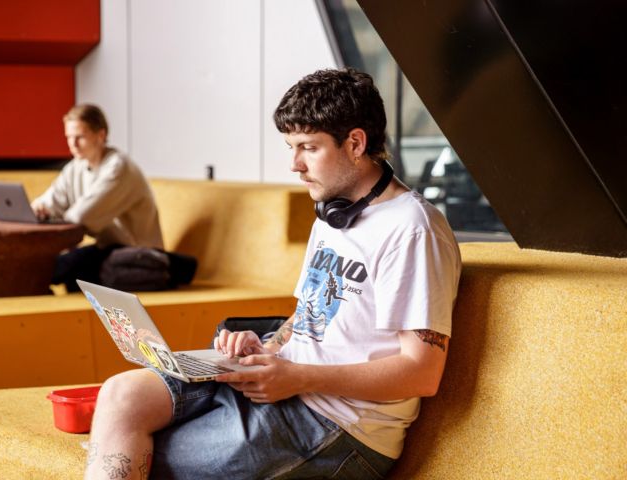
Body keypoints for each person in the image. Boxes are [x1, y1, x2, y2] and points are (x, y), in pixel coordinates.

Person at [83, 68, 461, 480]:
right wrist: (266, 347)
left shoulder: (413, 229)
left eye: (308, 148)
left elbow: (422, 372)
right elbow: (309, 318)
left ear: (355, 143)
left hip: (338, 425)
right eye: (291, 147)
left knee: (140, 459)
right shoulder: (334, 213)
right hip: (284, 382)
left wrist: (298, 377)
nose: (295, 165)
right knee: (121, 396)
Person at [31, 104, 164, 290]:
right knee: (60, 269)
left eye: (80, 137)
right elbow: (49, 202)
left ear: (101, 135)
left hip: (138, 256)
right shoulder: (76, 166)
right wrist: (40, 209)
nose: (73, 144)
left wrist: (52, 217)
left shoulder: (118, 167)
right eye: (69, 137)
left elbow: (82, 217)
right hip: (109, 250)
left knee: (57, 268)